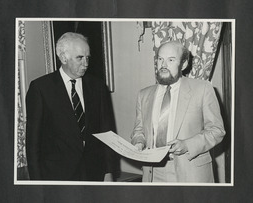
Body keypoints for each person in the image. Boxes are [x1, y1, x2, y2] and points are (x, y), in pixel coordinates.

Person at [26, 32, 118, 181]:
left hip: (94, 173)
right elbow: (33, 144)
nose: (86, 63)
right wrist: (36, 183)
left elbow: (107, 131)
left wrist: (109, 172)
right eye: (80, 58)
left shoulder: (98, 87)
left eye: (87, 57)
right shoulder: (41, 88)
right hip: (56, 175)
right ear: (63, 58)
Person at [131, 41, 225, 183]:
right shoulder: (143, 95)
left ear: (184, 64)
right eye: (160, 59)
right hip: (152, 173)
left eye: (171, 60)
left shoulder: (202, 89)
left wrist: (187, 144)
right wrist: (138, 142)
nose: (163, 65)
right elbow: (139, 130)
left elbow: (217, 130)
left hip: (191, 172)